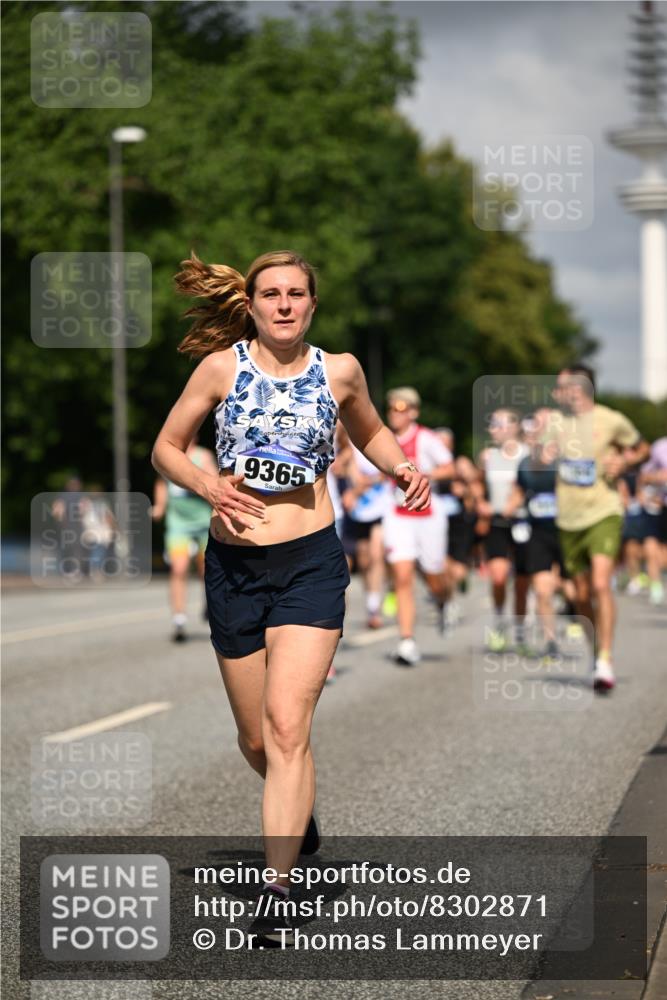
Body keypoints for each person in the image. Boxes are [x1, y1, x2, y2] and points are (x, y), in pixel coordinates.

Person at [151, 250, 430, 945]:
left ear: (312, 304)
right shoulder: (221, 368)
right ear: (249, 304)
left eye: (295, 294)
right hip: (234, 569)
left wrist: (399, 467)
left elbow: (367, 429)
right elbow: (165, 447)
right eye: (269, 294)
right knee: (254, 738)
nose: (282, 304)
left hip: (309, 562)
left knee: (285, 728)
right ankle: (295, 808)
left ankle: (277, 888)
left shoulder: (338, 370)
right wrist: (207, 484)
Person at [547, 365, 649, 690]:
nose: (558, 390)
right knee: (581, 594)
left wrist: (626, 462)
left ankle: (605, 658)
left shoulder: (611, 419)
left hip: (604, 511)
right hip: (568, 516)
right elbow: (539, 455)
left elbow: (641, 448)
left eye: (563, 385)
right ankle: (595, 649)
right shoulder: (555, 421)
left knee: (601, 584)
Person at [383, 387, 454, 665]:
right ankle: (407, 641)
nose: (394, 414)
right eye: (391, 408)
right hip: (398, 515)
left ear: (413, 412)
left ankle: (443, 600)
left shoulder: (425, 438)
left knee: (434, 577)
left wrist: (424, 473)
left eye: (400, 408)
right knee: (402, 576)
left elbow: (450, 468)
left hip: (428, 516)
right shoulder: (384, 439)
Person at [151, 437, 217, 641]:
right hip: (178, 524)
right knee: (178, 568)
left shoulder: (202, 456)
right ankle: (179, 619)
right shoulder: (169, 455)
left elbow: (216, 482)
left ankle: (211, 608)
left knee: (206, 571)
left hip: (204, 521)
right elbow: (162, 483)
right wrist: (160, 506)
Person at [476, 409, 529, 651]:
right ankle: (499, 620)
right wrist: (480, 502)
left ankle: (520, 630)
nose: (494, 429)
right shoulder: (488, 456)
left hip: (524, 522)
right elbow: (476, 484)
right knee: (498, 577)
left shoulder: (529, 456)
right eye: (492, 424)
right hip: (497, 522)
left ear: (515, 427)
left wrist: (516, 502)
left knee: (521, 582)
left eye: (500, 424)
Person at [341, 444, 390, 629]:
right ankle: (368, 600)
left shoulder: (379, 442)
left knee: (376, 554)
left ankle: (373, 607)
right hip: (355, 513)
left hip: (378, 510)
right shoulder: (347, 448)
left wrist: (359, 488)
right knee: (360, 561)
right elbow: (353, 477)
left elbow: (388, 471)